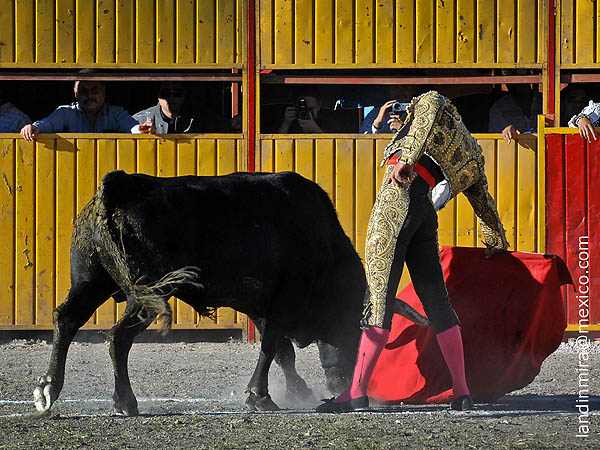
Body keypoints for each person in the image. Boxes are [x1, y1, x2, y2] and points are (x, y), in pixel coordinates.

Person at [316, 90, 509, 413]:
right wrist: (497, 243)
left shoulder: (431, 101)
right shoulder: (470, 152)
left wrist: (406, 159)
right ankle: (462, 393)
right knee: (438, 302)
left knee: (378, 300)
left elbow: (425, 119)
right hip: (425, 212)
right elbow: (484, 205)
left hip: (397, 199)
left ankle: (356, 392)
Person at [20, 77, 142, 141]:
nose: (90, 96)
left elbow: (132, 127)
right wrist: (33, 127)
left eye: (95, 90)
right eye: (84, 91)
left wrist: (143, 130)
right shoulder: (66, 113)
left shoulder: (116, 113)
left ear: (103, 93)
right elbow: (47, 124)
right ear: (76, 93)